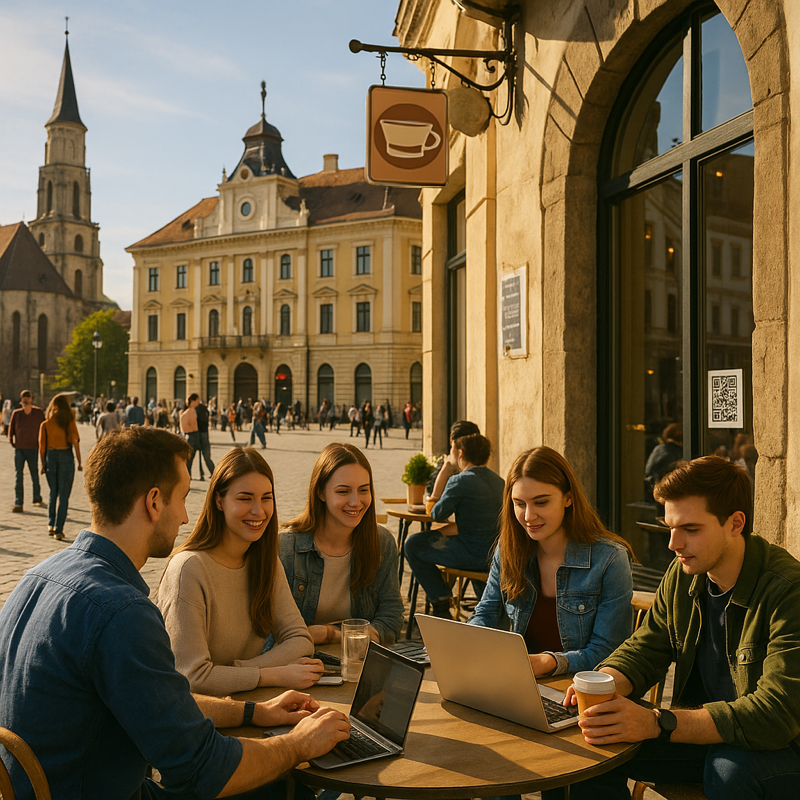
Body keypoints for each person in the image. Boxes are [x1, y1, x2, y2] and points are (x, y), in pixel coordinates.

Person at [0, 426, 349, 799]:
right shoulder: (123, 613)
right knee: (275, 783)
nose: (185, 516)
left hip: (49, 787)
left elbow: (162, 699)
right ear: (154, 501)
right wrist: (299, 744)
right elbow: (203, 771)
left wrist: (253, 713)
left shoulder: (37, 575)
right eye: (183, 498)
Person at [562, 456, 800, 800]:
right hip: (700, 736)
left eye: (690, 529)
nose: (673, 544)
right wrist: (602, 687)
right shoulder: (684, 573)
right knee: (594, 737)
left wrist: (658, 721)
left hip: (778, 749)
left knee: (729, 768)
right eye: (669, 527)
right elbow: (646, 647)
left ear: (735, 523)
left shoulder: (786, 589)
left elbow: (775, 715)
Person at [158, 448, 321, 696]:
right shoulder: (189, 569)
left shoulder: (265, 561)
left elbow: (299, 639)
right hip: (194, 719)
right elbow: (191, 677)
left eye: (266, 497)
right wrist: (268, 675)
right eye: (245, 498)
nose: (259, 511)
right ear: (219, 501)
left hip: (243, 701)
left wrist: (237, 672)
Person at [469, 446, 634, 676]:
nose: (528, 516)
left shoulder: (609, 559)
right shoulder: (510, 549)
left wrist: (550, 662)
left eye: (541, 502)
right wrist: (463, 645)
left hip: (581, 692)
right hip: (520, 683)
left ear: (568, 498)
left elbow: (608, 652)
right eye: (519, 503)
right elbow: (485, 614)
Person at [279, 442, 404, 646]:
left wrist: (333, 635)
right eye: (343, 491)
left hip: (358, 662)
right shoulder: (286, 548)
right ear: (321, 493)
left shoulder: (383, 543)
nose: (355, 502)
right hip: (298, 663)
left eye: (363, 490)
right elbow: (267, 630)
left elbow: (391, 618)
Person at [405, 433, 504, 618]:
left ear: (460, 453)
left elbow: (437, 514)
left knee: (413, 544)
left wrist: (444, 471)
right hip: (494, 556)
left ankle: (441, 602)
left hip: (469, 554)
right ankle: (488, 611)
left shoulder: (460, 480)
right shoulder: (499, 481)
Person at [39, 393, 83, 540]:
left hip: (50, 456)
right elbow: (75, 441)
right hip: (65, 455)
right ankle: (59, 529)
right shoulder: (68, 421)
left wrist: (43, 463)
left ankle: (50, 524)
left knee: (53, 492)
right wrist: (79, 461)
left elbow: (42, 446)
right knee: (64, 495)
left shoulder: (45, 424)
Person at [8, 390, 46, 513]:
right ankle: (18, 501)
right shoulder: (17, 413)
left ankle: (36, 497)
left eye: (27, 397)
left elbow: (44, 428)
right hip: (20, 448)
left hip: (33, 448)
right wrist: (11, 440)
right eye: (23, 398)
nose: (25, 400)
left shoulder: (38, 413)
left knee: (34, 473)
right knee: (18, 474)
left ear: (31, 398)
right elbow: (11, 428)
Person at [180, 393, 204, 480]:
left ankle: (187, 475)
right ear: (193, 401)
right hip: (192, 435)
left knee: (188, 460)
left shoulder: (185, 412)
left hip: (186, 435)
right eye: (197, 400)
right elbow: (194, 425)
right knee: (191, 459)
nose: (198, 402)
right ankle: (188, 476)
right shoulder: (192, 411)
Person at [196, 397, 216, 477]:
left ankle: (211, 472)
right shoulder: (204, 411)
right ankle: (213, 472)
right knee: (207, 457)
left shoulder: (198, 410)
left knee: (205, 457)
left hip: (200, 434)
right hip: (204, 434)